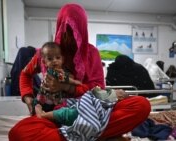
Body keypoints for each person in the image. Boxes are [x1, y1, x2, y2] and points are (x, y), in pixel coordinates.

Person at [9, 3, 150, 141]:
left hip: (88, 113)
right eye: (66, 32)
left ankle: (75, 134)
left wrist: (66, 87)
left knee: (141, 105)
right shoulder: (47, 53)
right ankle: (90, 134)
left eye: (74, 33)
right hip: (53, 116)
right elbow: (25, 74)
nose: (69, 39)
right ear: (59, 28)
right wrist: (29, 99)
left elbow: (98, 88)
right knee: (17, 133)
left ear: (82, 31)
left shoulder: (91, 53)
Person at [35, 87, 128, 126]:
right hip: (85, 103)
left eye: (119, 90)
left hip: (87, 110)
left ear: (120, 97)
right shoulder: (110, 95)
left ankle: (43, 115)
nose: (116, 89)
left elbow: (101, 97)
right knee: (68, 103)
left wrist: (96, 90)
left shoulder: (113, 98)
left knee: (69, 113)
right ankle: (46, 110)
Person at [32, 41, 81, 114]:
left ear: (62, 59)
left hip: (54, 98)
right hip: (47, 98)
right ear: (44, 62)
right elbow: (63, 78)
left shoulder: (60, 71)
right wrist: (74, 81)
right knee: (39, 104)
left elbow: (65, 76)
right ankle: (38, 111)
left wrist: (69, 76)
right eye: (50, 59)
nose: (54, 61)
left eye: (57, 58)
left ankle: (41, 111)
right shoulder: (52, 71)